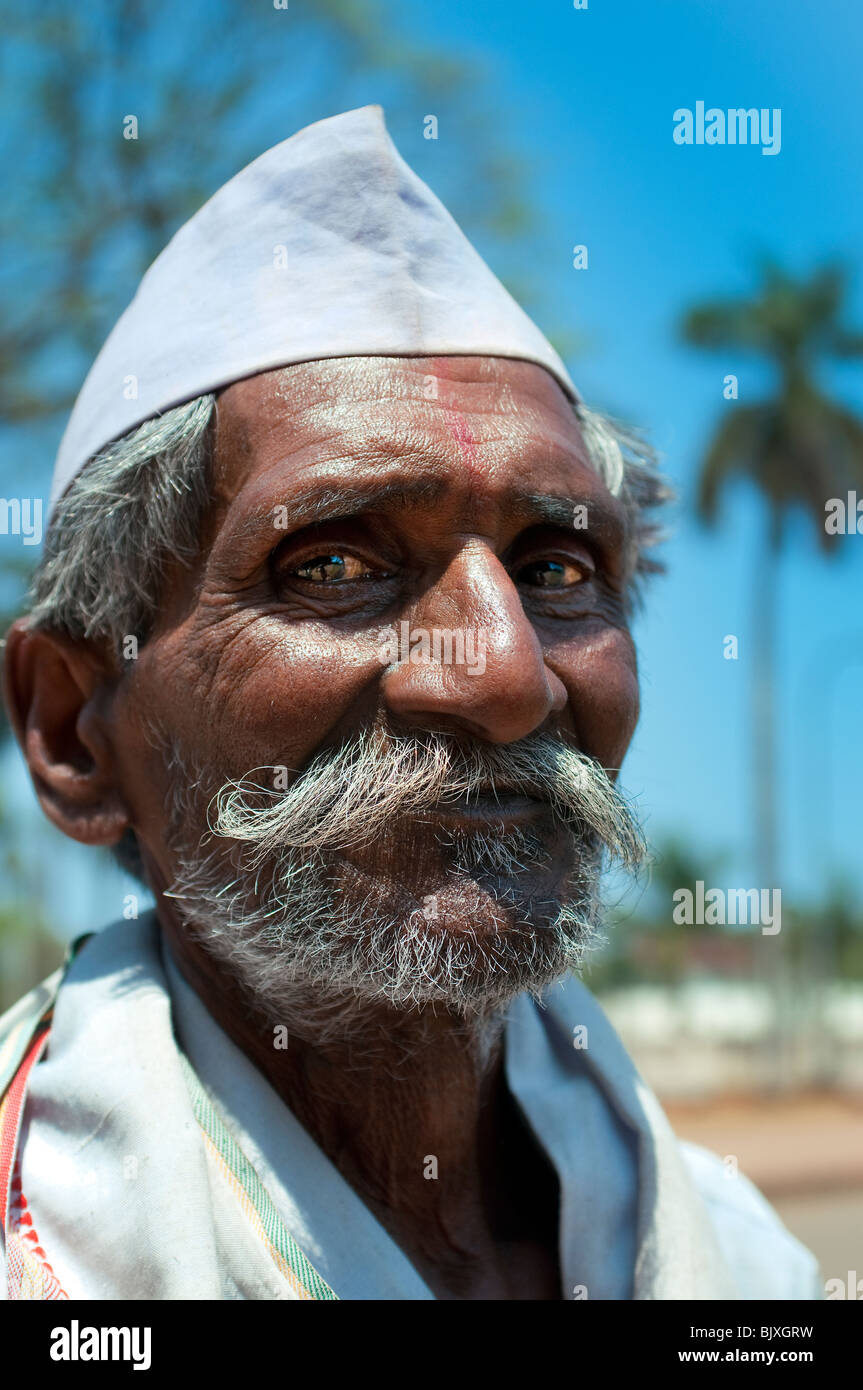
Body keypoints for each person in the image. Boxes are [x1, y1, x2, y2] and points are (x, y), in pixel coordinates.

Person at [0, 106, 819, 1301]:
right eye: (331, 565)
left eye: (555, 570)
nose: (502, 675)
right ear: (75, 731)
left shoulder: (740, 1268)